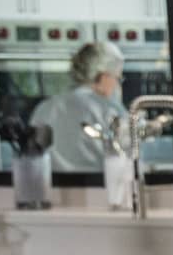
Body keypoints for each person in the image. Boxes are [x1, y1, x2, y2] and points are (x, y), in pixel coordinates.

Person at [30, 40, 126, 173]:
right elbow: (127, 158)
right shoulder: (109, 109)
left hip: (52, 190)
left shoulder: (45, 108)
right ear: (104, 76)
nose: (117, 85)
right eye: (118, 78)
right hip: (100, 189)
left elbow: (33, 158)